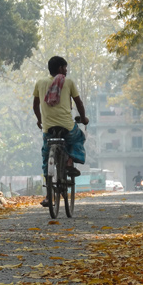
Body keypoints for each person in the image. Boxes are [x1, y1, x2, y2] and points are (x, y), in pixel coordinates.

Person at [33, 56, 89, 207]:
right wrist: (83, 118)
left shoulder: (40, 83)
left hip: (48, 129)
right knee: (78, 138)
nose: (66, 70)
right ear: (59, 68)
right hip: (67, 127)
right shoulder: (68, 82)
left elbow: (35, 106)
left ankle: (48, 195)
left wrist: (40, 120)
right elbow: (79, 103)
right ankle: (70, 161)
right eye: (65, 68)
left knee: (46, 158)